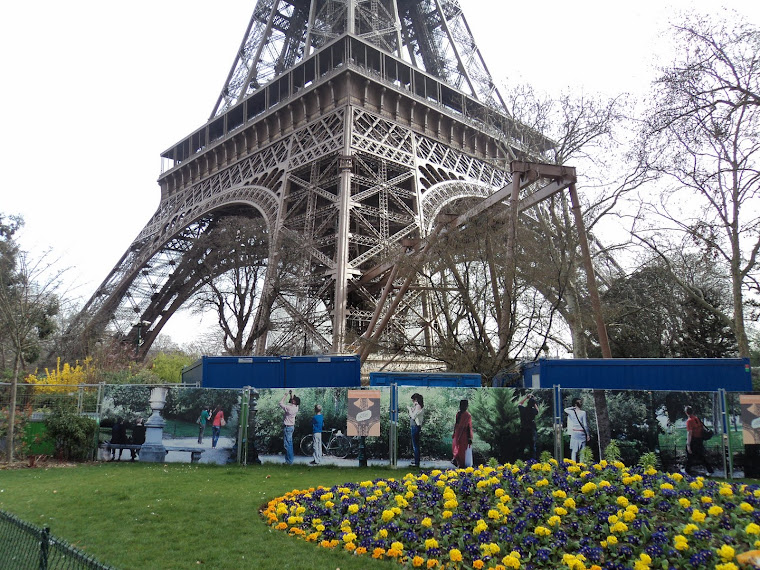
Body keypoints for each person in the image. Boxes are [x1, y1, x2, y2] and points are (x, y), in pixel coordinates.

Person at [684, 406, 714, 475]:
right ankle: (710, 470)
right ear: (693, 411)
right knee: (701, 456)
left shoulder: (689, 421)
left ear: (686, 413)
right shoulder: (697, 419)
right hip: (699, 440)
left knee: (690, 455)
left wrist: (688, 444)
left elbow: (689, 433)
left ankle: (687, 471)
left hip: (693, 440)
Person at [564, 398, 590, 462]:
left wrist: (573, 407)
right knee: (582, 451)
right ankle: (582, 465)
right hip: (582, 433)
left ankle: (574, 465)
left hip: (574, 432)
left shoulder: (571, 412)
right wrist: (588, 434)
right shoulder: (583, 413)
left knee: (574, 451)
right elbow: (585, 425)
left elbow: (565, 409)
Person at [279, 390, 300, 465]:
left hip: (287, 427)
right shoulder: (296, 407)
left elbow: (280, 403)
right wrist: (291, 395)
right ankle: (289, 460)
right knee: (289, 444)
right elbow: (292, 402)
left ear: (294, 402)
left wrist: (285, 395)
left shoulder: (289, 408)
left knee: (287, 445)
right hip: (291, 427)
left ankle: (289, 461)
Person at [452, 399, 473, 468]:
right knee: (456, 448)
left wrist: (469, 437)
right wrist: (454, 432)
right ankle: (456, 460)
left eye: (464, 405)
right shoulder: (458, 414)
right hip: (458, 433)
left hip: (464, 435)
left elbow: (469, 427)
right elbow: (456, 424)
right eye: (462, 405)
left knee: (462, 450)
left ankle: (461, 464)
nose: (463, 407)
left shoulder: (467, 415)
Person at [518, 394, 539, 460]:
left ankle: (520, 461)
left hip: (523, 429)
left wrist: (526, 398)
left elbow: (519, 404)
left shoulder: (523, 409)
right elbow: (537, 410)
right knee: (532, 447)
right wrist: (534, 402)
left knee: (521, 447)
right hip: (531, 430)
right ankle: (532, 461)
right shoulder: (533, 411)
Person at [408, 393, 425, 468]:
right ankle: (416, 461)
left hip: (415, 427)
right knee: (415, 445)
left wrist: (409, 410)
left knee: (415, 445)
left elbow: (413, 416)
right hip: (415, 427)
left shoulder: (418, 406)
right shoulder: (418, 406)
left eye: (413, 400)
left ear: (416, 400)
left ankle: (416, 463)